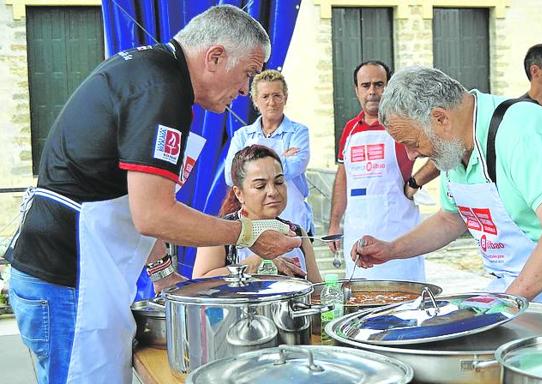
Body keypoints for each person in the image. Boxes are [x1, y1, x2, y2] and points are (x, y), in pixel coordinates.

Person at [5, 5, 301, 384]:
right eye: (246, 74)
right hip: (70, 281)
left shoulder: (153, 74)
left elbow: (130, 199)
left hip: (72, 276)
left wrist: (162, 275)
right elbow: (153, 214)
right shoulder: (162, 90)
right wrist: (250, 233)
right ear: (214, 57)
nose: (245, 90)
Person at [353, 65, 542, 330]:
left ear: (440, 119)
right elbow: (451, 218)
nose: (412, 156)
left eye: (413, 143)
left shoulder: (523, 132)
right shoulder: (454, 146)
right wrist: (391, 250)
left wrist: (502, 308)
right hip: (521, 288)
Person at [327, 60, 430, 282]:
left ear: (389, 87)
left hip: (398, 236)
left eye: (378, 84)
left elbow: (443, 154)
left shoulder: (404, 124)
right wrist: (335, 222)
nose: (372, 92)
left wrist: (415, 182)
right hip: (357, 233)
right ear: (356, 90)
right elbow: (343, 176)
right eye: (365, 85)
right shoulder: (350, 129)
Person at [194, 145, 322, 283]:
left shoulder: (296, 232)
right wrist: (258, 262)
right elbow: (199, 284)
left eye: (279, 182)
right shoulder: (222, 232)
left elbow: (316, 291)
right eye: (260, 186)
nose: (273, 192)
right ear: (239, 193)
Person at [224, 69, 314, 237]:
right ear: (255, 100)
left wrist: (250, 169)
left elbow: (296, 167)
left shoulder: (299, 132)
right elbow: (230, 176)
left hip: (293, 217)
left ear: (285, 98)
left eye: (277, 95)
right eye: (265, 96)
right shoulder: (242, 135)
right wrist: (282, 158)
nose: (271, 102)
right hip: (254, 222)